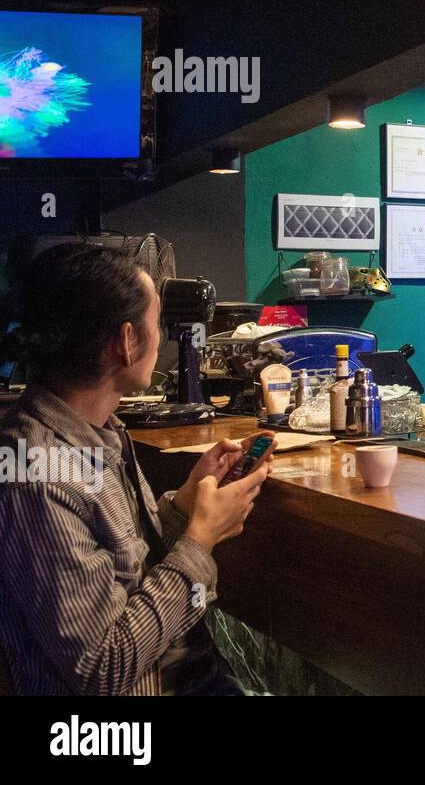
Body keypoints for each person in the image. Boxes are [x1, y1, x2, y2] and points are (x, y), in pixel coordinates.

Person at [0, 243, 270, 695]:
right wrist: (201, 540)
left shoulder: (98, 432)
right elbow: (103, 668)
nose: (162, 337)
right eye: (156, 322)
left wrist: (184, 507)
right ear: (126, 342)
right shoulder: (37, 475)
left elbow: (119, 569)